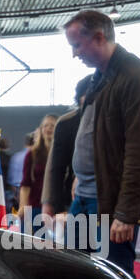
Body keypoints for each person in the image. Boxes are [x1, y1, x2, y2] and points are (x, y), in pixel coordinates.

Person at [62, 8, 140, 276]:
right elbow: (96, 136)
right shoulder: (99, 78)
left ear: (99, 37)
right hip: (86, 196)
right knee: (74, 273)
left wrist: (126, 213)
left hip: (109, 203)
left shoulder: (136, 78)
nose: (75, 53)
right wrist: (81, 175)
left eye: (77, 45)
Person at [42, 75, 94, 231]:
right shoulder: (67, 123)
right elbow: (55, 167)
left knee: (106, 249)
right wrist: (49, 202)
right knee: (76, 248)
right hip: (72, 198)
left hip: (102, 197)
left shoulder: (113, 120)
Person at [19, 114, 58, 234]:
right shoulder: (32, 154)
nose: (49, 128)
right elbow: (26, 184)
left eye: (52, 125)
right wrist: (23, 207)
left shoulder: (62, 154)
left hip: (57, 209)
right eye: (46, 125)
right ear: (41, 129)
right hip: (34, 208)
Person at [8, 133, 31, 210]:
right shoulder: (36, 157)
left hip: (17, 190)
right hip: (31, 192)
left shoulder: (16, 156)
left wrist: (15, 194)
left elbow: (11, 178)